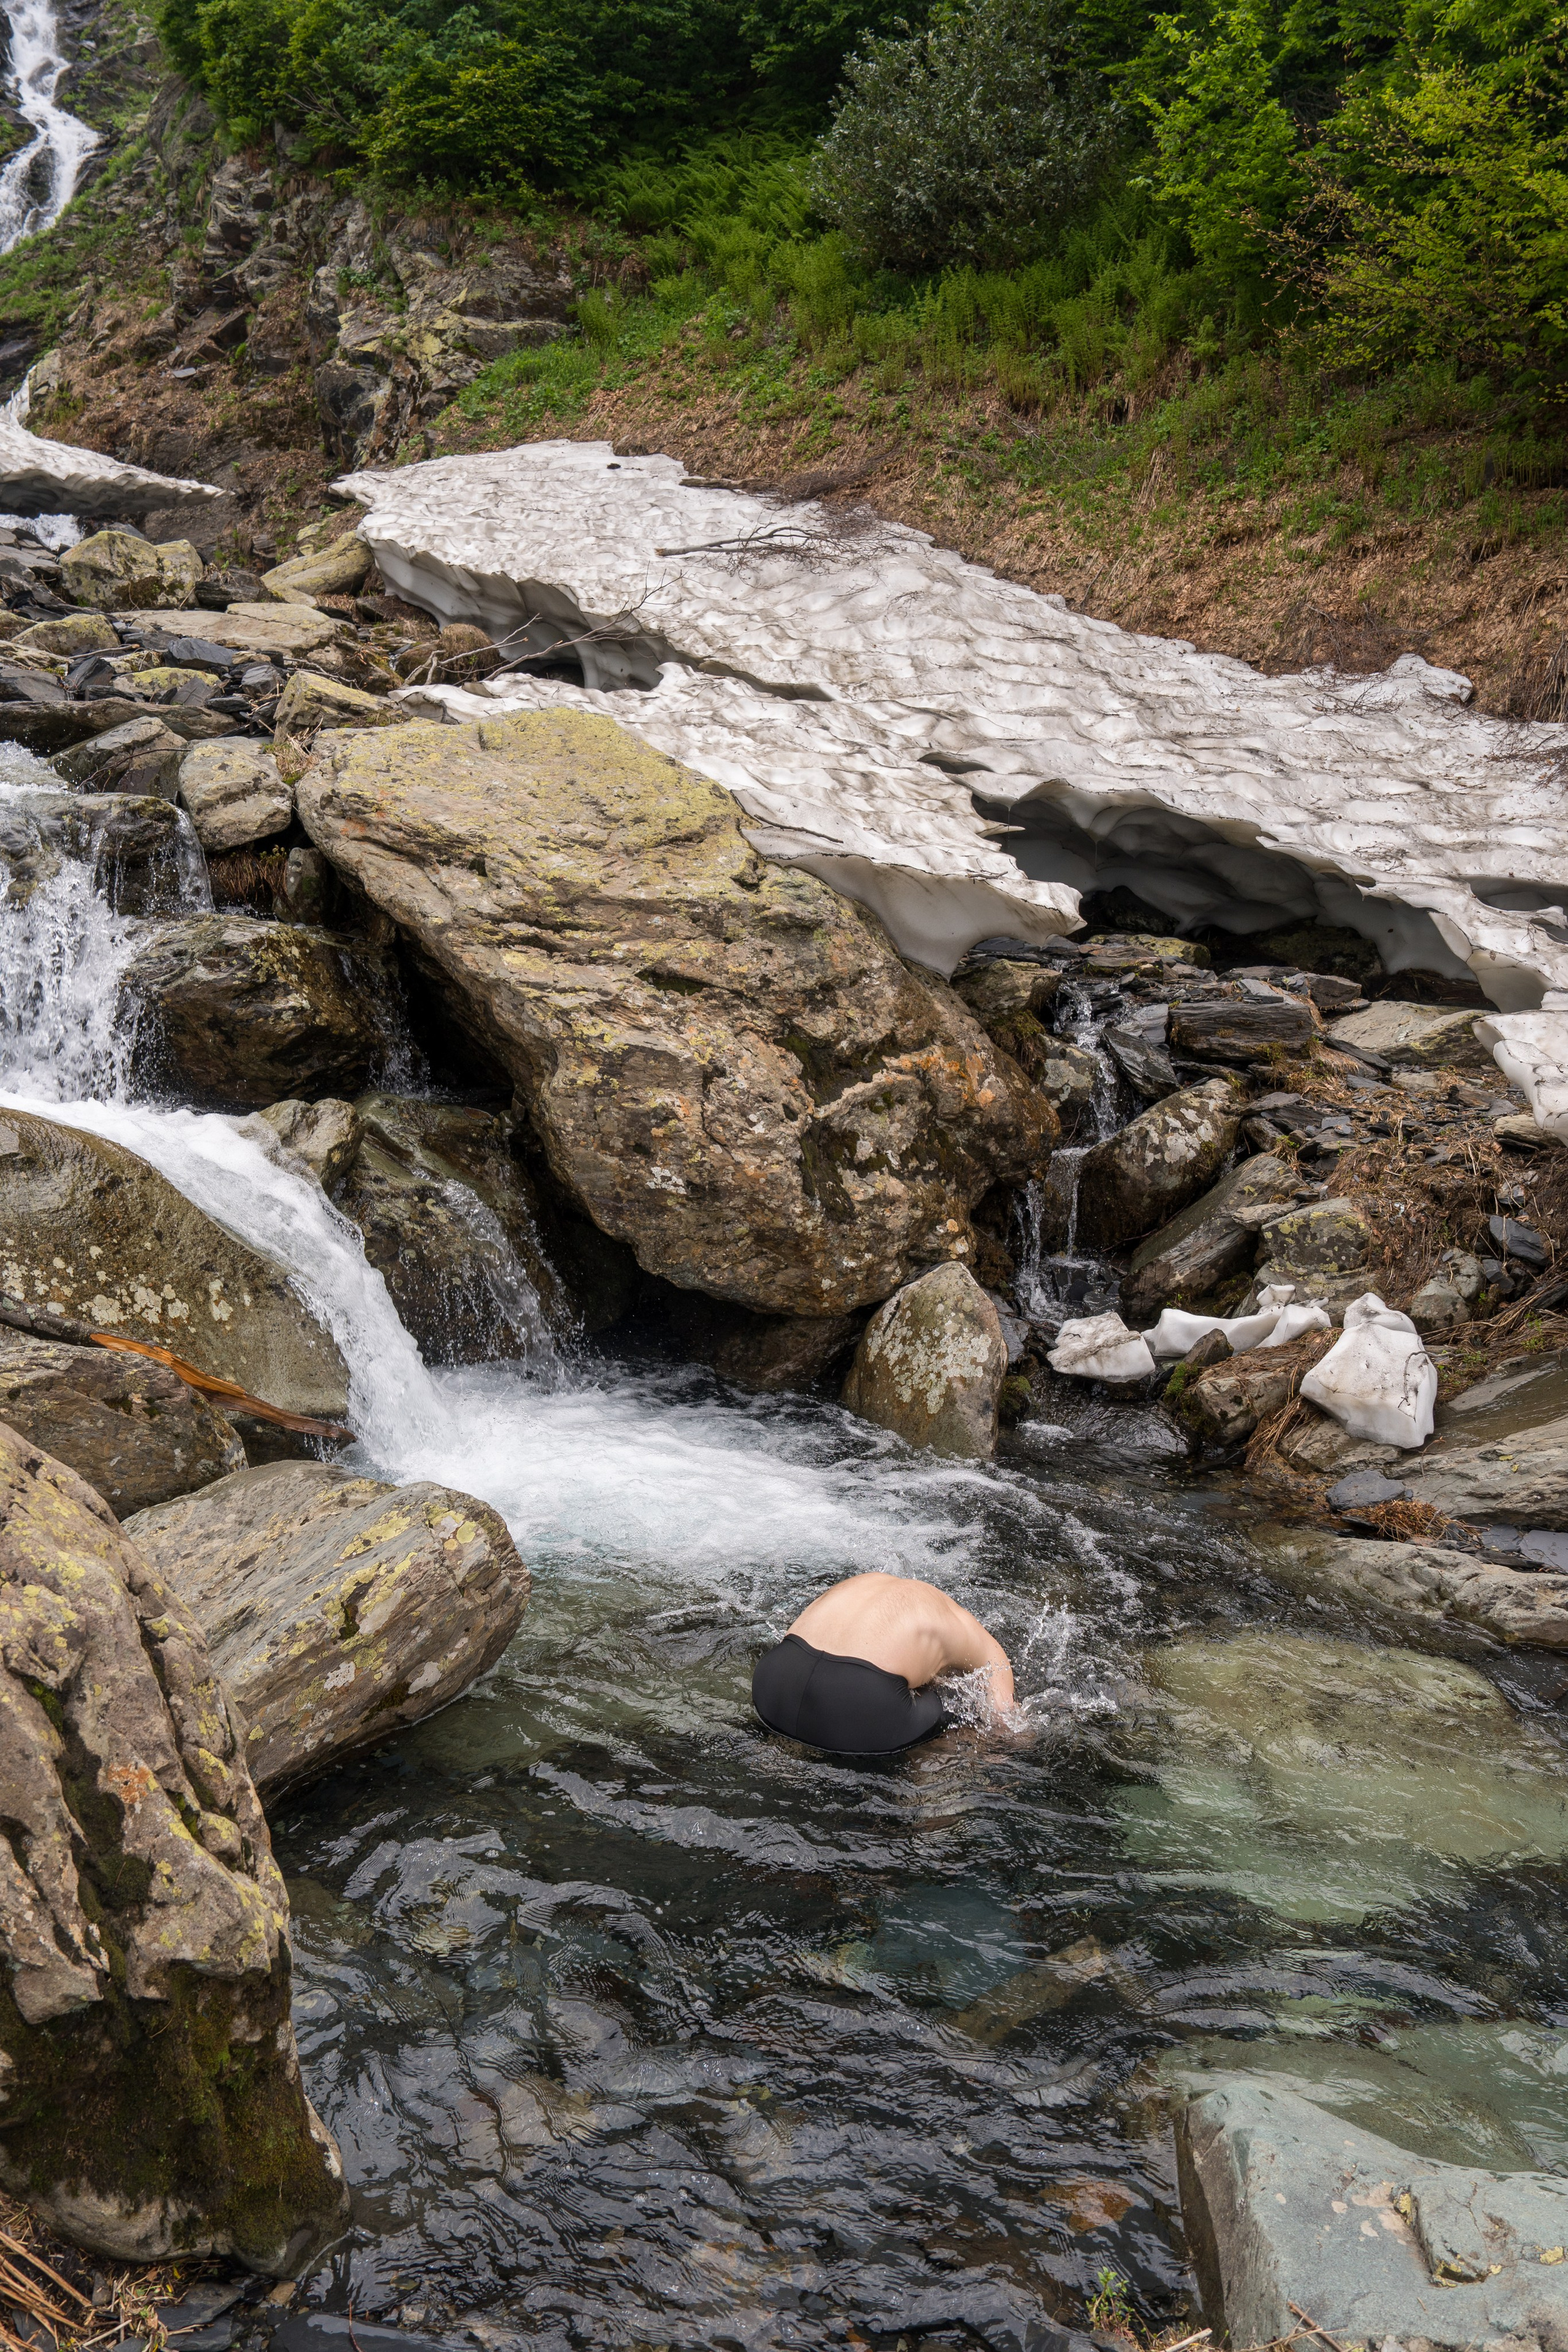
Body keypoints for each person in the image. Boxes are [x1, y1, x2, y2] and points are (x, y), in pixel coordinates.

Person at [752, 1571, 1015, 1755]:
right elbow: (996, 1667)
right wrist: (1005, 1735)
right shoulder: (955, 1616)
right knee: (964, 1702)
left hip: (776, 1680)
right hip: (865, 1701)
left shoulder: (860, 1584)